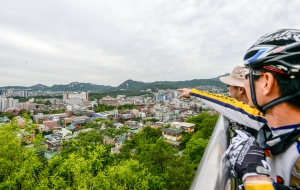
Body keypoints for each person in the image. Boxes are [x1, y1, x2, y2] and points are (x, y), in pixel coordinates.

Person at [225, 29, 300, 189]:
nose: (244, 84)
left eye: (247, 75)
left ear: (266, 82)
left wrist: (255, 177)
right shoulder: (279, 134)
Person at [219, 65, 258, 137]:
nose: (228, 88)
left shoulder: (252, 116)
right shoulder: (255, 110)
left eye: (228, 85)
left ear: (240, 90)